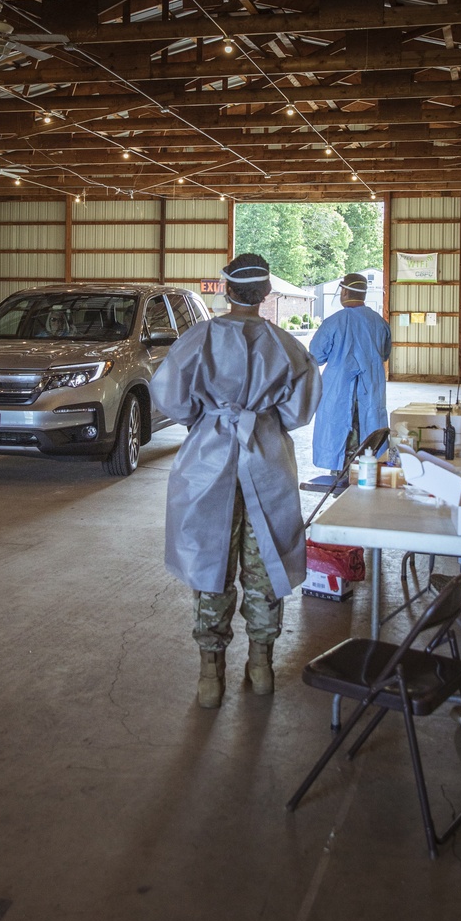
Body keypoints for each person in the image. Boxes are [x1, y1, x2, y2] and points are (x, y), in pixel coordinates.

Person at [150, 253, 322, 709]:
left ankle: (211, 675)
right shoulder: (287, 345)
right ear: (266, 294)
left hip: (209, 458)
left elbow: (169, 395)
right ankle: (261, 666)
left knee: (211, 561)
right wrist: (265, 419)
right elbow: (299, 410)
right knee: (267, 560)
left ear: (226, 290)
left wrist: (202, 419)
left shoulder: (198, 339)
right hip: (266, 458)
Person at [310, 273, 391, 476]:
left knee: (340, 439)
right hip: (370, 392)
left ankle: (341, 480)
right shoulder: (379, 323)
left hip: (338, 393)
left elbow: (315, 357)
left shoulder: (333, 323)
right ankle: (366, 477)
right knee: (369, 440)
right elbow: (385, 353)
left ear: (344, 291)